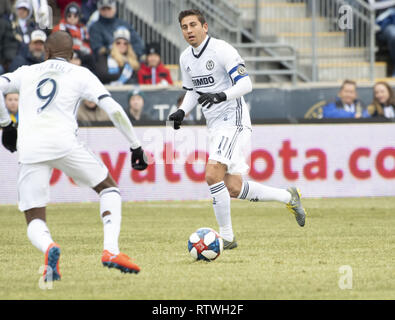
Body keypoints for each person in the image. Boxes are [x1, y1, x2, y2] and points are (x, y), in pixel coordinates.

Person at [0, 31, 149, 281]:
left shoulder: (25, 72)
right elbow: (113, 108)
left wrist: (6, 124)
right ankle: (111, 251)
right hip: (64, 143)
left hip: (30, 146)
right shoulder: (80, 74)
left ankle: (49, 247)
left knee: (34, 215)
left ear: (46, 52)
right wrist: (135, 145)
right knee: (108, 189)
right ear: (71, 56)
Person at [168, 9, 307, 250]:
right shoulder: (185, 58)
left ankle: (227, 238)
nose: (188, 30)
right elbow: (192, 91)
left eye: (193, 25)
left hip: (234, 119)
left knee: (212, 175)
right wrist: (183, 111)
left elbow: (246, 84)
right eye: (184, 27)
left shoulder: (222, 50)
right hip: (215, 125)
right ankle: (289, 197)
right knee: (233, 187)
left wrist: (222, 95)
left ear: (205, 27)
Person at [52, 2, 95, 71]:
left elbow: (88, 47)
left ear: (79, 17)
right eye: (69, 15)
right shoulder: (59, 28)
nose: (72, 18)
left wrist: (80, 58)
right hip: (65, 56)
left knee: (92, 59)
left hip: (80, 55)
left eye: (75, 16)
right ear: (65, 16)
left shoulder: (82, 29)